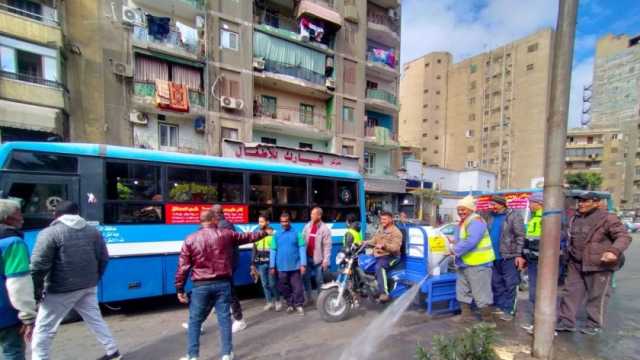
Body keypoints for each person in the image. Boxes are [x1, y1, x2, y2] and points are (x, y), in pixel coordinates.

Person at [30, 201, 120, 360]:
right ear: (77, 213)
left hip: (60, 289)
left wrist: (36, 290)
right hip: (89, 286)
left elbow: (38, 266)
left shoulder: (50, 233)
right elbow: (104, 258)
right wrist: (95, 278)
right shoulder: (93, 231)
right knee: (95, 319)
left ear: (55, 215)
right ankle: (113, 352)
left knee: (44, 328)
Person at [175, 210, 269, 360]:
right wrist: (264, 233)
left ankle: (192, 355)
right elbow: (247, 237)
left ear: (201, 221)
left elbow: (183, 267)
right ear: (213, 219)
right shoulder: (225, 234)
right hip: (222, 283)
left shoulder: (190, 239)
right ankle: (226, 354)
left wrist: (179, 288)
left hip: (201, 285)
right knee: (224, 319)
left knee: (195, 321)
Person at [556, 192, 631, 335]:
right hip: (576, 262)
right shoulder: (575, 218)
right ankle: (566, 322)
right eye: (580, 201)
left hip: (599, 265)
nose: (581, 204)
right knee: (570, 293)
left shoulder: (608, 218)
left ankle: (594, 324)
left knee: (597, 296)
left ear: (597, 202)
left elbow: (624, 236)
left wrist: (613, 251)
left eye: (586, 201)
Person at [0, 200, 37, 360]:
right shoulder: (12, 243)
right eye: (18, 213)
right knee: (12, 352)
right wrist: (28, 316)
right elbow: (18, 283)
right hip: (5, 313)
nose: (22, 217)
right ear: (7, 217)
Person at [451, 195, 496, 325]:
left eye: (463, 209)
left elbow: (471, 240)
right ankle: (466, 316)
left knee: (481, 294)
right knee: (462, 291)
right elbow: (464, 239)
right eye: (459, 209)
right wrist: (454, 242)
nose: (460, 212)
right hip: (464, 263)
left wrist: (455, 250)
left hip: (479, 264)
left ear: (471, 209)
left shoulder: (476, 221)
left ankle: (488, 321)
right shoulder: (464, 222)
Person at [487, 195, 526, 321]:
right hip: (494, 256)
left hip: (509, 255)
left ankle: (509, 310)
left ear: (502, 204)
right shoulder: (491, 216)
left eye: (494, 204)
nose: (491, 207)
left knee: (510, 284)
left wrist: (519, 255)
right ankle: (501, 306)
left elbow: (520, 236)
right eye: (490, 204)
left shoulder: (514, 216)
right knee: (496, 283)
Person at [210, 205, 246, 333]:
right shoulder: (221, 224)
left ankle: (239, 319)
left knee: (229, 290)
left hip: (226, 264)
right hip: (224, 264)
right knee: (214, 291)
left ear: (216, 214)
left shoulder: (224, 225)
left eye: (211, 214)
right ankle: (198, 322)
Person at [270, 212, 306, 315]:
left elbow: (302, 248)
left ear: (289, 221)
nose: (284, 223)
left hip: (295, 267)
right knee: (283, 287)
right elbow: (273, 250)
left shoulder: (297, 233)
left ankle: (299, 305)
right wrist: (272, 266)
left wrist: (303, 264)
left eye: (286, 221)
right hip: (281, 268)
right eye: (282, 221)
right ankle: (290, 304)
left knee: (298, 288)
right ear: (280, 222)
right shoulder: (276, 235)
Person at [366, 211, 403, 302]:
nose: (382, 221)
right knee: (365, 262)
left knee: (379, 266)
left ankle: (384, 293)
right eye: (381, 219)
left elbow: (396, 248)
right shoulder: (381, 228)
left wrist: (384, 245)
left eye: (385, 219)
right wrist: (365, 243)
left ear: (391, 219)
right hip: (379, 255)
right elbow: (374, 240)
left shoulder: (396, 232)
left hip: (392, 256)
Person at [250, 214, 281, 311]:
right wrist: (253, 264)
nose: (260, 224)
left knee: (272, 284)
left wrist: (275, 263)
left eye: (262, 221)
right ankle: (269, 302)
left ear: (267, 222)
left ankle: (277, 301)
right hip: (261, 264)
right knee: (264, 284)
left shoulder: (273, 234)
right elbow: (254, 249)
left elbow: (276, 249)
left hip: (270, 263)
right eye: (259, 222)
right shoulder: (257, 233)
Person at [301, 207, 332, 301]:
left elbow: (327, 246)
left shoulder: (324, 229)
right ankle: (309, 298)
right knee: (306, 279)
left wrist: (326, 260)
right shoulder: (307, 226)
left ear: (319, 215)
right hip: (307, 258)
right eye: (311, 214)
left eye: (313, 214)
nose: (311, 216)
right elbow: (302, 239)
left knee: (319, 280)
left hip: (318, 260)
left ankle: (320, 300)